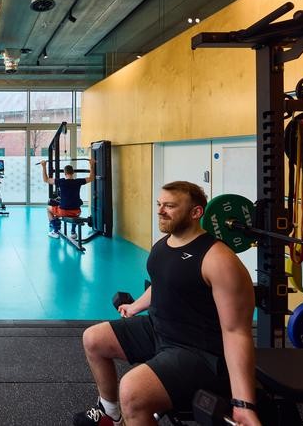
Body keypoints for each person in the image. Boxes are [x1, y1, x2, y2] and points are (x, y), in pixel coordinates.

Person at [73, 181, 260, 426]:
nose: (160, 211)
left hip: (197, 350)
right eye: (159, 204)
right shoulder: (164, 244)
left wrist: (243, 403)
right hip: (158, 329)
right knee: (93, 339)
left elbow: (236, 332)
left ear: (196, 213)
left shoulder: (219, 260)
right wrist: (135, 307)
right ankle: (110, 413)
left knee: (132, 390)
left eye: (170, 206)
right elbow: (161, 284)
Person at [41, 158, 95, 238]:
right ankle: (73, 232)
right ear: (73, 173)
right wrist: (92, 165)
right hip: (76, 212)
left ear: (64, 173)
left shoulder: (60, 181)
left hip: (63, 212)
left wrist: (44, 166)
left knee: (48, 208)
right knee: (76, 211)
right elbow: (91, 178)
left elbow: (46, 179)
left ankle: (55, 231)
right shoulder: (78, 181)